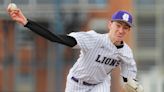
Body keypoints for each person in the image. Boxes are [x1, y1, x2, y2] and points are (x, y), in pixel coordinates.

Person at [7, 6, 144, 92]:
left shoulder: (126, 53)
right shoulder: (93, 39)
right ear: (110, 24)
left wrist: (133, 86)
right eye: (118, 25)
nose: (121, 30)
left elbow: (128, 80)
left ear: (129, 30)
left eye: (125, 27)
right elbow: (56, 38)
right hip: (76, 83)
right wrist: (26, 23)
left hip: (99, 84)